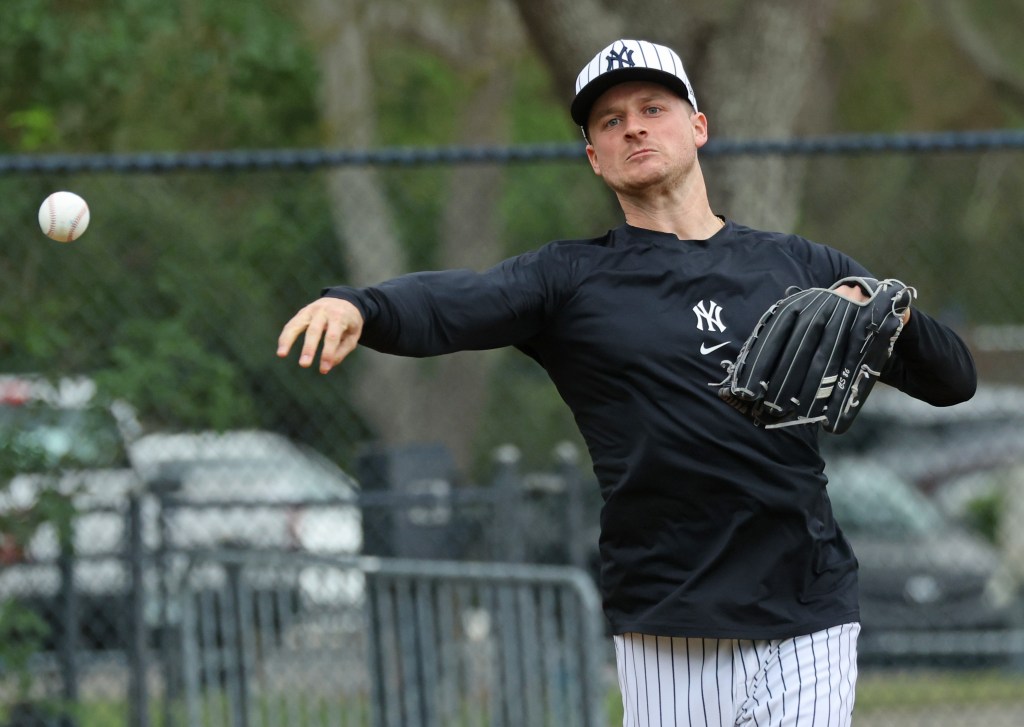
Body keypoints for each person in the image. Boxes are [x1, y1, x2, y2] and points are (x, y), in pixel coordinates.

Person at [277, 39, 977, 726]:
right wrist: (360, 305)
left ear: (698, 126)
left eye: (653, 107)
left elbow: (954, 381)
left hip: (808, 603)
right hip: (669, 618)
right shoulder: (571, 280)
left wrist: (887, 305)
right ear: (594, 157)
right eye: (610, 121)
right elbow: (454, 301)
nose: (634, 126)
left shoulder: (797, 265)